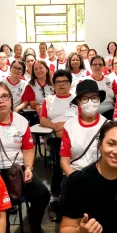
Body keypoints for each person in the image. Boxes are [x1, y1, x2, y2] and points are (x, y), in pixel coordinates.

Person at [0, 83, 50, 233]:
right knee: (0, 205)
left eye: (4, 96)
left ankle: (34, 224)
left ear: (10, 99)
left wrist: (28, 167)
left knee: (42, 194)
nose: (1, 101)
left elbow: (28, 149)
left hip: (17, 168)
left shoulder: (21, 121)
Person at [39, 70, 79, 221]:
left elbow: (82, 117)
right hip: (56, 138)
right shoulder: (49, 100)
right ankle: (54, 199)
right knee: (58, 166)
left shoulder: (77, 99)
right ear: (53, 85)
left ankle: (74, 196)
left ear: (70, 84)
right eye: (58, 82)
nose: (61, 85)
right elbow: (43, 119)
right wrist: (56, 127)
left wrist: (66, 128)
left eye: (64, 82)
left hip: (76, 136)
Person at [60, 79, 107, 178]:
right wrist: (76, 181)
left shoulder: (108, 126)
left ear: (99, 100)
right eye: (85, 99)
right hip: (75, 174)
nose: (90, 102)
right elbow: (64, 162)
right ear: (78, 101)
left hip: (101, 176)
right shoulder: (69, 126)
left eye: (94, 98)